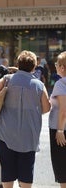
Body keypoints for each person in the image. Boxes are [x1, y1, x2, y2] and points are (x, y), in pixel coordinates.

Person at [0, 50, 50, 188]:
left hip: (4, 132)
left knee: (7, 172)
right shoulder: (39, 85)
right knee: (26, 174)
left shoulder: (7, 79)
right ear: (34, 67)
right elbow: (46, 108)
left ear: (18, 64)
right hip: (28, 135)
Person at [48, 51, 66, 188]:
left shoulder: (61, 83)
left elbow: (63, 110)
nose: (55, 66)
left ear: (62, 67)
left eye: (57, 64)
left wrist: (60, 130)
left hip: (61, 128)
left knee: (62, 167)